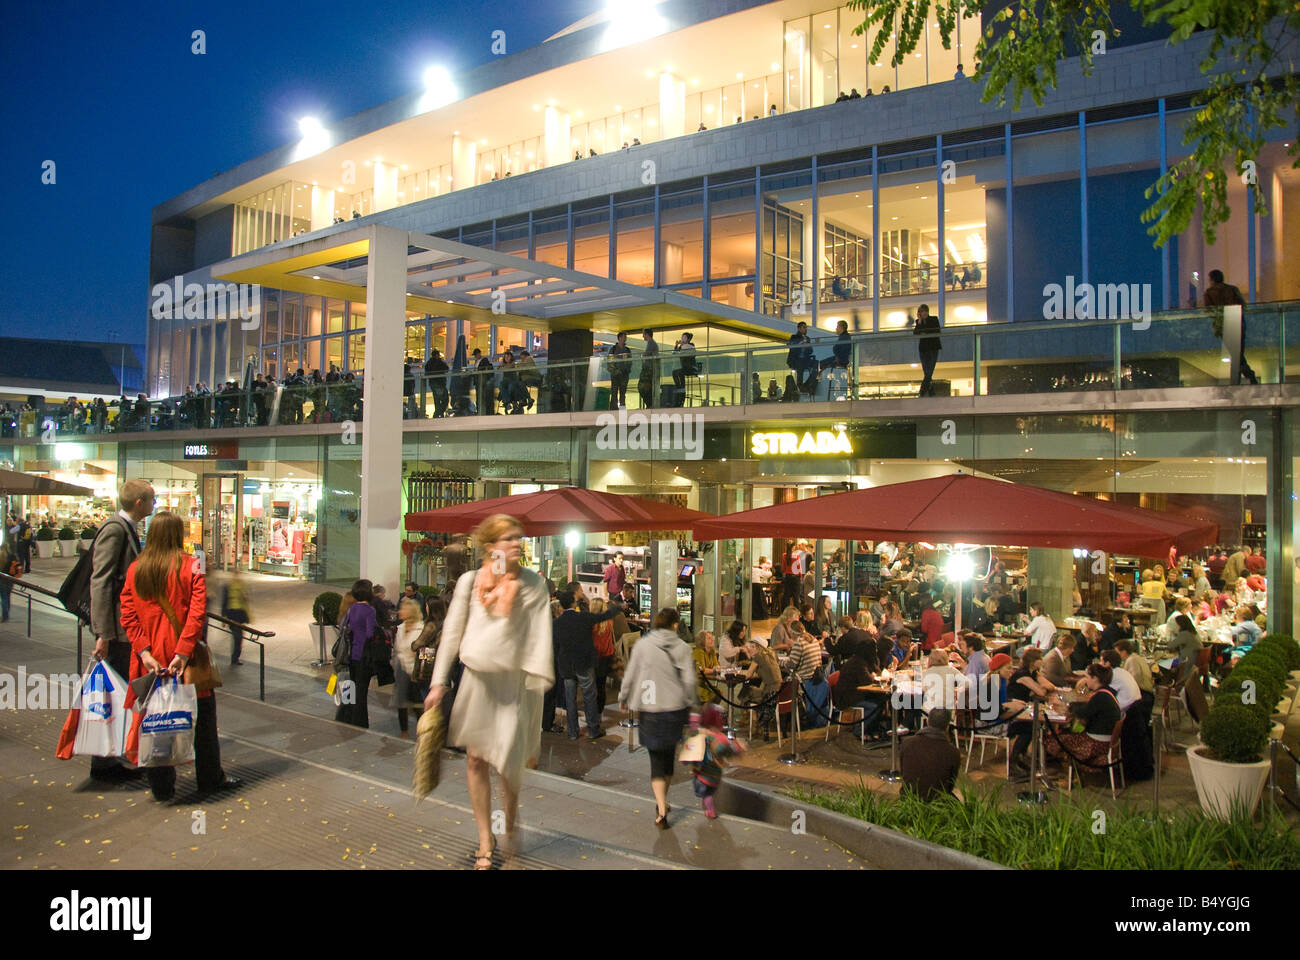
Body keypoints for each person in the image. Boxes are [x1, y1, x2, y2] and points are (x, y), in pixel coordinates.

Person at [425, 514, 552, 869]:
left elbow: (541, 641)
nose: (517, 543)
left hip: (514, 686)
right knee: (475, 759)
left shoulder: (532, 584)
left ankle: (509, 825)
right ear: (491, 546)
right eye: (509, 538)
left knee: (509, 769)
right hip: (476, 681)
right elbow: (452, 632)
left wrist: (536, 704)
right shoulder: (469, 582)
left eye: (519, 537)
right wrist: (439, 682)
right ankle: (485, 837)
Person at [119, 511, 237, 801]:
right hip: (183, 658)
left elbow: (128, 613)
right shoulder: (191, 566)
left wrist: (143, 651)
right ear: (178, 535)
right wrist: (183, 653)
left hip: (150, 660)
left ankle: (161, 785)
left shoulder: (136, 569)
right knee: (203, 719)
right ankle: (209, 778)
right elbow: (197, 614)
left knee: (154, 718)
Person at [88, 478, 154, 781]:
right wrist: (103, 633)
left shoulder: (126, 527)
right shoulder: (115, 529)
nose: (155, 504)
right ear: (138, 502)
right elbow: (100, 580)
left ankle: (113, 758)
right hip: (115, 631)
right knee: (110, 694)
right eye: (151, 499)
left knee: (115, 693)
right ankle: (104, 764)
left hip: (121, 628)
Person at [619, 607, 697, 829]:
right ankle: (664, 801)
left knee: (655, 760)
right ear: (674, 625)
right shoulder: (682, 648)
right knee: (668, 758)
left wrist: (624, 697)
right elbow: (689, 681)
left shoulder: (643, 645)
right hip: (674, 709)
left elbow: (631, 673)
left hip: (649, 709)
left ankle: (661, 807)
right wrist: (692, 704)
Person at [552, 590, 619, 739]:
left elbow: (556, 646)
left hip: (566, 665)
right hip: (584, 663)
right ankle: (593, 729)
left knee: (570, 699)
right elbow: (604, 616)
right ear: (574, 603)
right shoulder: (583, 617)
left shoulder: (556, 623)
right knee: (589, 696)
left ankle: (573, 732)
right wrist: (618, 607)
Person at [1044, 663, 1122, 766]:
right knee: (1064, 736)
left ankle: (1065, 770)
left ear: (1095, 678)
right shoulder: (1108, 693)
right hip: (1107, 741)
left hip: (1096, 744)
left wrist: (1064, 705)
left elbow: (1082, 713)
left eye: (1087, 677)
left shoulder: (1101, 697)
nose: (1085, 680)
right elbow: (1087, 710)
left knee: (1052, 740)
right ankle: (1069, 772)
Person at [1006, 648, 1056, 779]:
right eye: (1040, 658)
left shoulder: (1034, 673)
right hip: (1012, 710)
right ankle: (1014, 760)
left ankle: (1024, 756)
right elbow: (1041, 692)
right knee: (1030, 728)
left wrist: (1041, 686)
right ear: (1033, 661)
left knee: (1036, 726)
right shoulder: (1022, 675)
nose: (1042, 660)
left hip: (1023, 709)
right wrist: (1040, 688)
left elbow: (1050, 686)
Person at [336, 579, 379, 729]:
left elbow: (343, 628)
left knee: (352, 687)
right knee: (362, 691)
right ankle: (360, 722)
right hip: (364, 655)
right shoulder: (370, 611)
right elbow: (370, 633)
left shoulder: (352, 609)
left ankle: (349, 717)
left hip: (352, 655)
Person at [688, 704, 743, 818]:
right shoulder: (721, 737)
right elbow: (729, 751)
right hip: (716, 775)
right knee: (710, 792)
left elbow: (692, 751)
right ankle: (708, 805)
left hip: (703, 774)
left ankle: (710, 810)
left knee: (705, 794)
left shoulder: (703, 736)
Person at [1204, 269, 1257, 385]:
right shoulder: (1232, 289)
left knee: (1235, 354)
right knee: (1237, 354)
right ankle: (1248, 378)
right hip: (1238, 323)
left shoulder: (1209, 293)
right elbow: (1242, 305)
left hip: (1223, 325)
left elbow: (1209, 311)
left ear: (1212, 280)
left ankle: (1246, 378)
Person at [899, 707, 961, 800]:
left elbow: (904, 774)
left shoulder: (907, 743)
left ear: (927, 721)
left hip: (908, 799)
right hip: (937, 803)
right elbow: (950, 785)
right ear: (947, 727)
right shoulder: (952, 752)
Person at [393, 597, 426, 738]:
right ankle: (404, 731)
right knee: (401, 701)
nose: (400, 612)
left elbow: (424, 652)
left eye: (403, 609)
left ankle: (422, 733)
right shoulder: (400, 628)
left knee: (417, 703)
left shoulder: (421, 628)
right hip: (401, 667)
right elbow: (397, 649)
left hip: (415, 670)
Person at [220, 569, 251, 666]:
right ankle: (235, 658)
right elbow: (224, 602)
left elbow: (245, 600)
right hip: (232, 614)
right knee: (238, 637)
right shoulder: (228, 586)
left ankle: (235, 657)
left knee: (238, 636)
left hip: (240, 614)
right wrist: (223, 618)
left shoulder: (242, 585)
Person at [910, 303, 941, 397]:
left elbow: (936, 330)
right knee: (926, 370)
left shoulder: (934, 319)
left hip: (933, 347)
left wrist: (925, 331)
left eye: (925, 311)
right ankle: (931, 391)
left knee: (930, 370)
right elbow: (916, 333)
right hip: (923, 349)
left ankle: (922, 391)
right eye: (921, 312)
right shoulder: (919, 322)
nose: (924, 313)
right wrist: (919, 322)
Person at [1167, 613, 1203, 685]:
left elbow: (1170, 646)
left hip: (1186, 661)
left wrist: (1173, 635)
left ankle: (1167, 683)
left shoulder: (1184, 634)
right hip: (1195, 660)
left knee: (1162, 665)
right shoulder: (1193, 632)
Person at [785, 321, 816, 395]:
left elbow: (811, 351)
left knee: (816, 364)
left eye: (806, 328)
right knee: (800, 363)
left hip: (805, 359)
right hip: (797, 359)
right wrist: (801, 343)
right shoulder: (794, 337)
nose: (806, 329)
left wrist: (807, 346)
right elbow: (791, 347)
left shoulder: (808, 338)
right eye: (804, 327)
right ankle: (800, 384)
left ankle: (809, 384)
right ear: (799, 328)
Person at [671, 332, 698, 406]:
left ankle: (681, 389)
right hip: (685, 368)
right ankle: (680, 388)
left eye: (684, 338)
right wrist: (676, 345)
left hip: (691, 368)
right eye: (682, 337)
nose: (682, 339)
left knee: (678, 372)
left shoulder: (690, 346)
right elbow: (674, 353)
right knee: (676, 372)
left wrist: (681, 345)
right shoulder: (682, 346)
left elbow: (687, 349)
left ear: (688, 339)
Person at [693, 629, 720, 704]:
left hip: (704, 682)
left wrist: (716, 668)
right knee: (714, 694)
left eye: (712, 638)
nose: (712, 640)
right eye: (709, 638)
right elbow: (702, 670)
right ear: (702, 640)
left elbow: (717, 665)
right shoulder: (698, 651)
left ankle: (708, 713)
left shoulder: (712, 651)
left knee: (718, 692)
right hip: (695, 684)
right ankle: (703, 714)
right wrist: (713, 670)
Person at [607, 331, 632, 409]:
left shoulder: (627, 350)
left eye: (625, 337)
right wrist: (615, 371)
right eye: (624, 337)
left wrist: (626, 370)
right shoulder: (613, 349)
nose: (625, 339)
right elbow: (610, 362)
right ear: (619, 338)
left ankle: (622, 409)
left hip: (624, 375)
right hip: (615, 375)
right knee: (614, 392)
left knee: (623, 392)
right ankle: (613, 409)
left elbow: (630, 362)